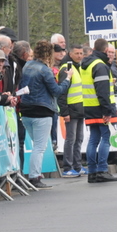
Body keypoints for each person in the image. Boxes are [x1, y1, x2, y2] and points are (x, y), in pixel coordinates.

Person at [18, 40, 72, 189]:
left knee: (37, 145)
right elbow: (56, 91)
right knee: (40, 147)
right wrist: (67, 79)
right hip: (42, 110)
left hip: (26, 109)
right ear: (49, 54)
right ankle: (35, 177)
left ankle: (33, 175)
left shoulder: (27, 65)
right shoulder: (45, 70)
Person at [81, 39, 117, 183]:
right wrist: (107, 111)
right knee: (106, 137)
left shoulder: (86, 64)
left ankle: (92, 172)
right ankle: (102, 170)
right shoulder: (100, 66)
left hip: (89, 106)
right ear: (105, 51)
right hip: (100, 107)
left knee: (93, 139)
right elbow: (103, 91)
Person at [57, 44, 87, 177]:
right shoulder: (67, 68)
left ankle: (77, 165)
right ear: (70, 54)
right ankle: (68, 167)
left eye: (81, 53)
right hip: (71, 108)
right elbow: (62, 92)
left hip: (79, 108)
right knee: (71, 139)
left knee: (79, 139)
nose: (79, 56)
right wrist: (65, 112)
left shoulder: (77, 67)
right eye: (77, 53)